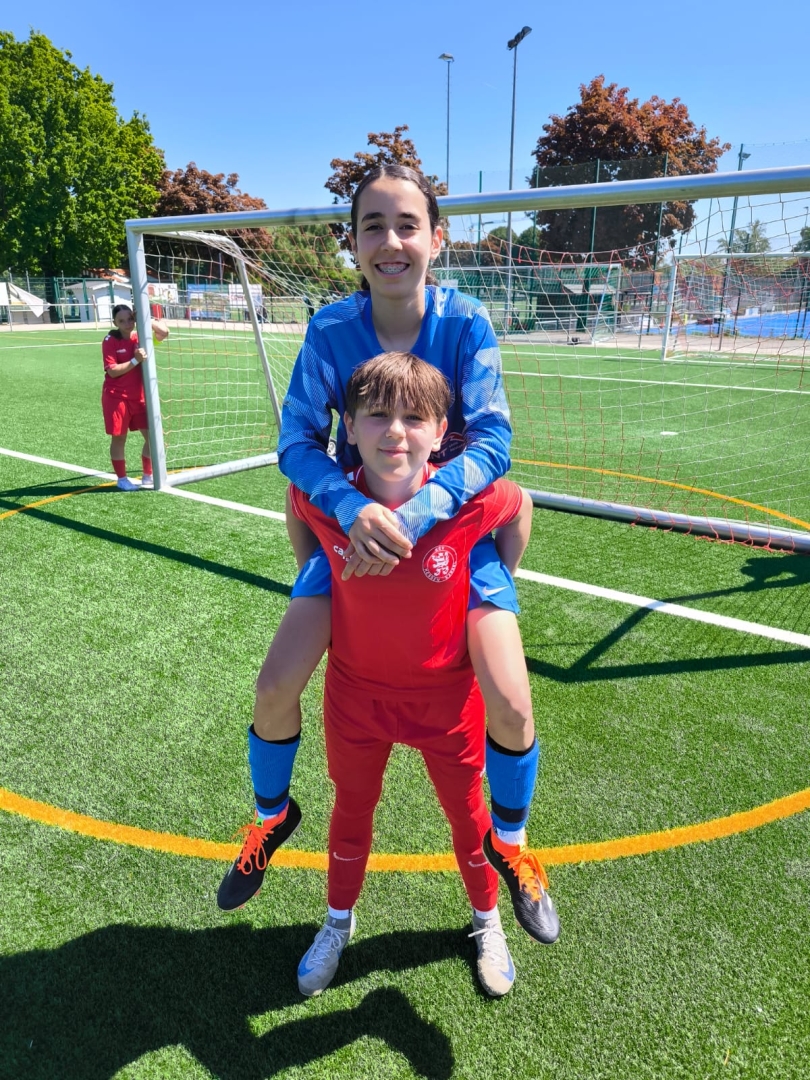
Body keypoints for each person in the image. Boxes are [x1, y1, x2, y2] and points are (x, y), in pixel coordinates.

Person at [217, 165, 559, 947]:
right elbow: (296, 444)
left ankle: (510, 842)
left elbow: (496, 443)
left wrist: (425, 513)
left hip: (450, 532)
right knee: (274, 686)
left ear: (437, 238)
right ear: (353, 242)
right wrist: (352, 511)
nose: (391, 240)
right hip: (356, 530)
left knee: (511, 703)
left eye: (408, 224)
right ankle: (272, 816)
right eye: (373, 225)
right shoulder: (330, 330)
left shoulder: (466, 322)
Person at [293, 352, 538, 996]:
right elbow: (297, 502)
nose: (395, 431)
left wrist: (500, 582)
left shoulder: (465, 500)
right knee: (351, 810)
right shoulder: (333, 500)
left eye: (414, 418)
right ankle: (337, 921)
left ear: (440, 431)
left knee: (468, 816)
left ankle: (488, 920)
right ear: (349, 427)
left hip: (447, 701)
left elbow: (519, 506)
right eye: (377, 415)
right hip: (356, 698)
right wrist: (316, 575)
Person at [101, 304, 168, 490]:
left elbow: (164, 332)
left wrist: (146, 319)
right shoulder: (109, 341)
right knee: (119, 439)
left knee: (154, 437)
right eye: (121, 321)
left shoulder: (141, 336)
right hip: (116, 397)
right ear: (115, 322)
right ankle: (122, 479)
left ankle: (148, 475)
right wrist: (135, 360)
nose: (127, 323)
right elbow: (112, 371)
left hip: (139, 397)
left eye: (130, 319)